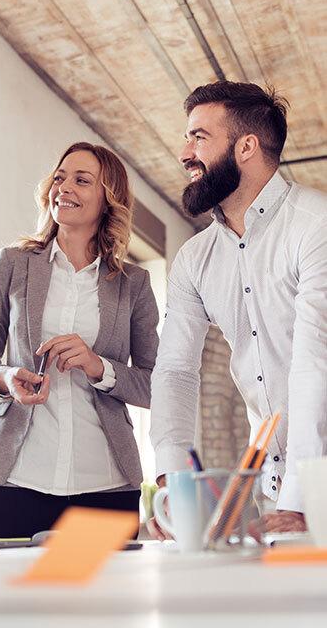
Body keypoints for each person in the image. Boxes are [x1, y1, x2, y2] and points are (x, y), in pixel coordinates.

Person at [149, 81, 327, 537]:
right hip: (270, 487)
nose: (185, 152)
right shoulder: (194, 259)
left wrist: (304, 498)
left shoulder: (316, 225)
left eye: (199, 137)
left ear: (246, 146)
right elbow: (175, 370)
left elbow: (313, 362)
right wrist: (173, 481)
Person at [0, 142, 159, 539]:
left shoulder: (133, 284)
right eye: (59, 177)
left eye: (82, 180)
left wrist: (97, 366)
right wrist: (6, 377)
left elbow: (156, 385)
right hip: (12, 478)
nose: (63, 187)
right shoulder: (12, 264)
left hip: (104, 483)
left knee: (96, 601)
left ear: (108, 200)